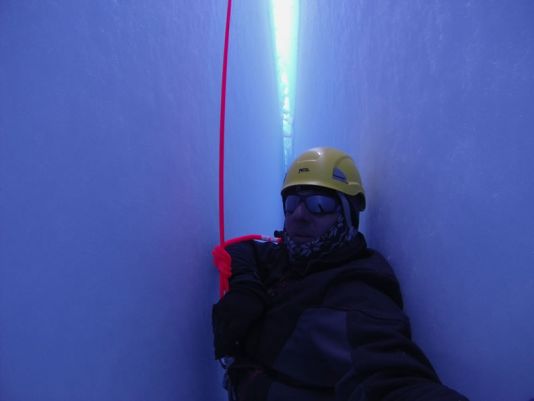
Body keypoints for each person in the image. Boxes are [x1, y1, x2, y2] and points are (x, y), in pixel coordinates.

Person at [212, 147, 469, 401]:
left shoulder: (354, 290)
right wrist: (248, 288)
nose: (299, 215)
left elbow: (388, 376)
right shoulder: (289, 256)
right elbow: (241, 249)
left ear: (347, 214)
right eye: (292, 203)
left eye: (318, 204)